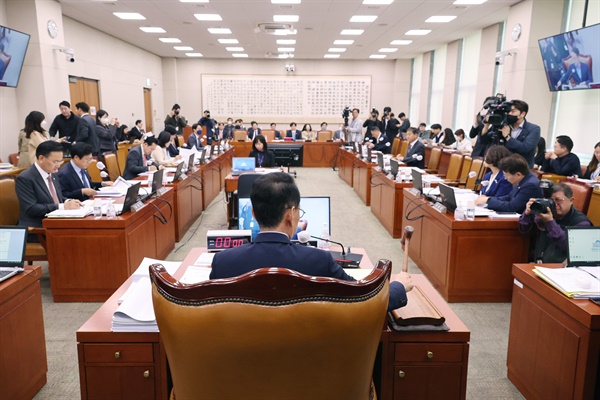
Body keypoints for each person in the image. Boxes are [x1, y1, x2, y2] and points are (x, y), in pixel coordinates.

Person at [210, 172, 412, 312]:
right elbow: (365, 299)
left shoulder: (223, 262)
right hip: (308, 364)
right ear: (290, 215)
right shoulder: (319, 261)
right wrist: (398, 286)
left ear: (253, 214)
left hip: (241, 365)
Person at [15, 141, 82, 230]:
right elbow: (31, 208)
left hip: (56, 222)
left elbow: (57, 198)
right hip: (38, 227)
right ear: (41, 158)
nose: (58, 165)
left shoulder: (53, 173)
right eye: (55, 162)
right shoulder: (25, 178)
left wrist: (68, 201)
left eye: (60, 161)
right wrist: (62, 206)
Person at [519, 183, 592, 263]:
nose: (554, 204)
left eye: (558, 200)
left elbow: (568, 246)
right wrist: (527, 214)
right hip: (539, 263)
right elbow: (524, 231)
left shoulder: (581, 222)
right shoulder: (545, 214)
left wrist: (550, 222)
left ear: (571, 200)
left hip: (561, 269)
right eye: (551, 200)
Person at [475, 154, 543, 213]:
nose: (505, 178)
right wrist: (488, 198)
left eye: (506, 175)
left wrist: (488, 200)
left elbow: (511, 207)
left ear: (518, 174)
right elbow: (508, 197)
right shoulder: (523, 179)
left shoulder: (530, 185)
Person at [489, 99, 540, 168]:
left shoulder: (533, 129)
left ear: (522, 114)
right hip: (503, 167)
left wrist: (507, 137)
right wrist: (487, 124)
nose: (509, 114)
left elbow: (525, 148)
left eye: (513, 112)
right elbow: (487, 139)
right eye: (508, 111)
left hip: (521, 169)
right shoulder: (503, 125)